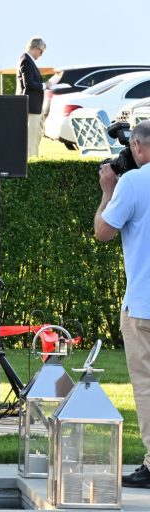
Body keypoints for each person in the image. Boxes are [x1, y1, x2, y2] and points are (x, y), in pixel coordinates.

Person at [95, 120, 150, 487]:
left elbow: (103, 231)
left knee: (146, 386)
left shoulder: (131, 183)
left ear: (138, 147)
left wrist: (107, 191)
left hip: (143, 305)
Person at [17, 36, 49, 158]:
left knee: (36, 134)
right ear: (36, 48)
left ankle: (34, 158)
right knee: (31, 137)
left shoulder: (27, 60)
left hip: (34, 105)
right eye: (41, 52)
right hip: (30, 106)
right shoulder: (26, 60)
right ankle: (30, 160)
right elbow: (28, 83)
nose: (41, 55)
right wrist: (44, 85)